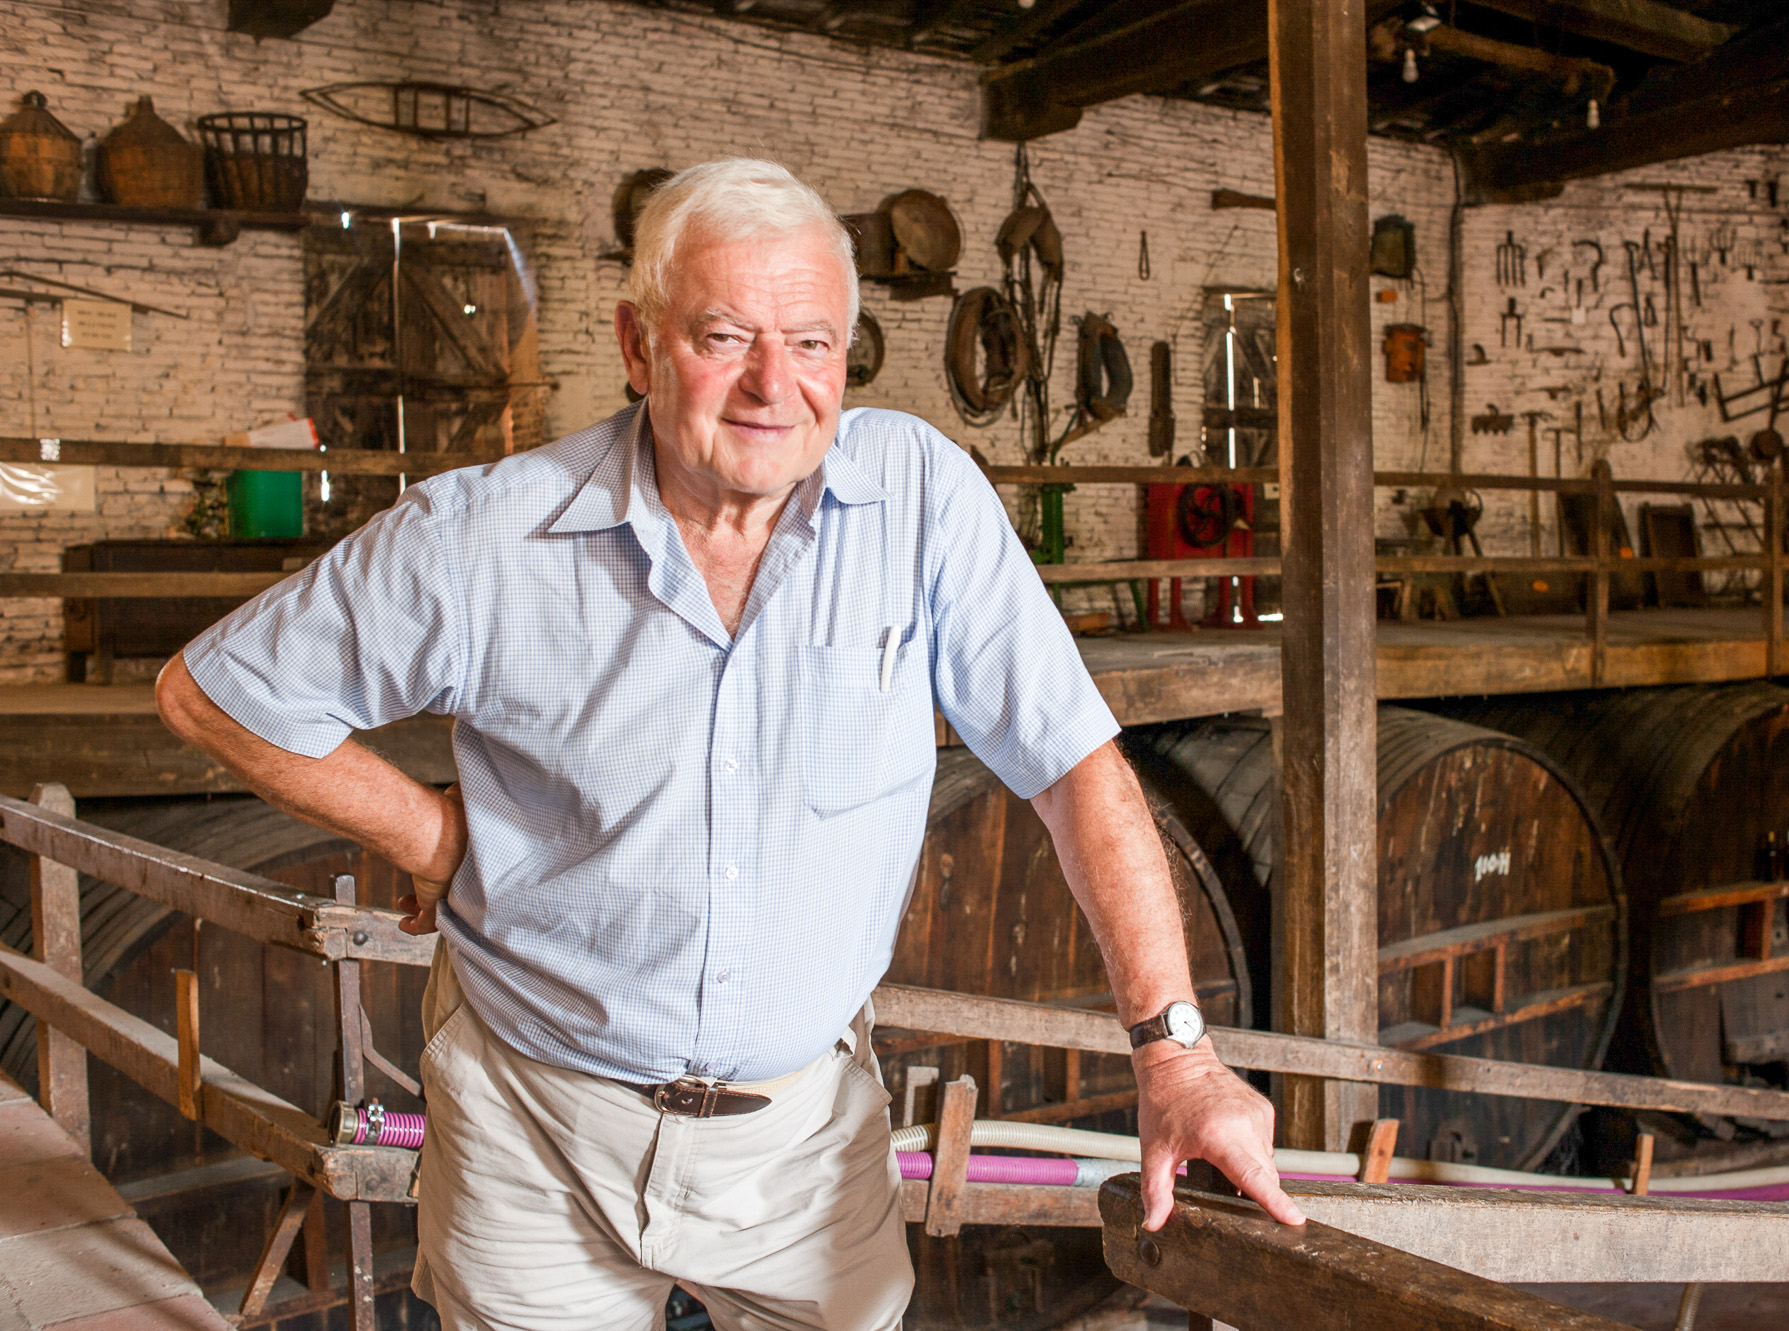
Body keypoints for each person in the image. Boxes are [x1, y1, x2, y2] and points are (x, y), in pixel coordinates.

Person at [156, 157, 1303, 1331]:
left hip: (802, 1136)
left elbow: (1074, 768)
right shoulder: (487, 534)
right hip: (532, 1119)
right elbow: (213, 691)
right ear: (637, 344)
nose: (774, 383)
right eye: (723, 336)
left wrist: (1176, 1059)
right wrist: (435, 832)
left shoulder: (921, 501)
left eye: (811, 343)